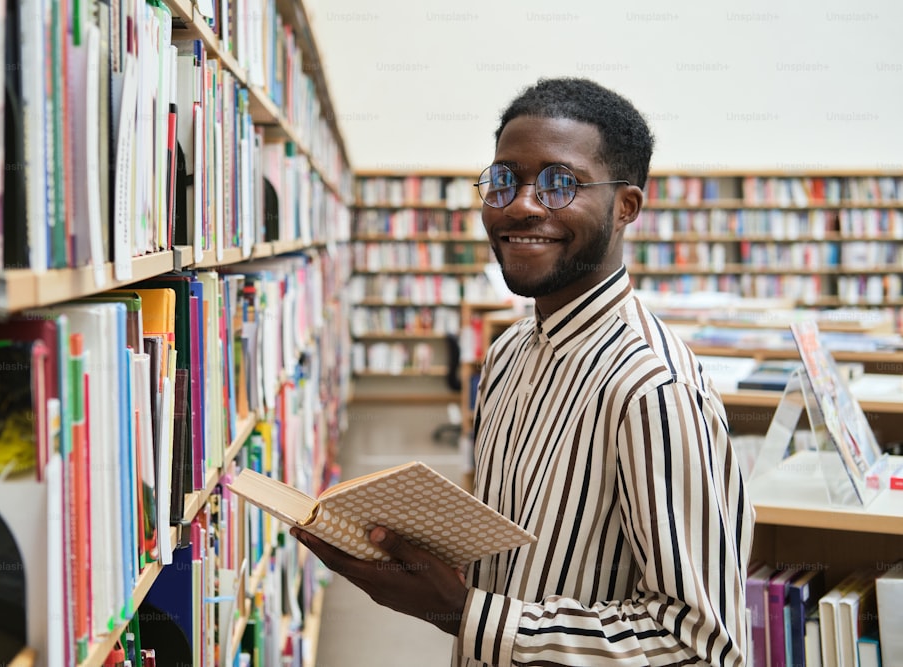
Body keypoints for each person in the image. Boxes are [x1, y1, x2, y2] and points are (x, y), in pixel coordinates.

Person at [293, 77, 754, 667]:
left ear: (625, 207)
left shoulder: (654, 392)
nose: (520, 205)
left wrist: (465, 612)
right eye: (504, 179)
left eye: (561, 184)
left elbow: (699, 644)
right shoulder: (509, 352)